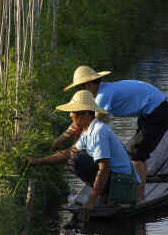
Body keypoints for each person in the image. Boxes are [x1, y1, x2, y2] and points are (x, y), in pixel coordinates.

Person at [63, 65, 168, 201]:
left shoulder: (103, 95)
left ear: (88, 85)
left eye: (79, 88)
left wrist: (74, 147)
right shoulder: (101, 92)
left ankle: (138, 198)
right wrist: (60, 141)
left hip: (158, 112)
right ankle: (134, 193)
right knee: (136, 154)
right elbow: (79, 121)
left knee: (136, 156)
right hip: (149, 112)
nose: (79, 92)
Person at [27, 90, 138, 222]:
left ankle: (107, 197)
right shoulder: (87, 130)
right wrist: (38, 161)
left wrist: (91, 200)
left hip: (124, 184)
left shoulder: (98, 132)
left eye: (73, 112)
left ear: (85, 114)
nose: (70, 115)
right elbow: (69, 153)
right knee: (72, 159)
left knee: (76, 160)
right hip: (116, 180)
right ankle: (105, 196)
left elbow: (104, 168)